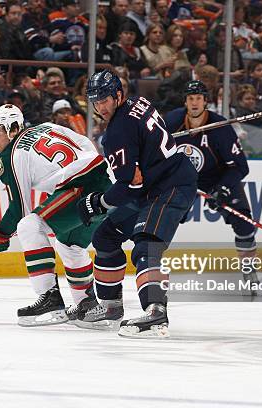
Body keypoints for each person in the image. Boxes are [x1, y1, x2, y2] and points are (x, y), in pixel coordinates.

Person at [75, 69, 198, 338]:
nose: (100, 106)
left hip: (169, 188)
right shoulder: (138, 103)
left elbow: (130, 186)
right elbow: (137, 177)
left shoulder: (116, 132)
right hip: (157, 186)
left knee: (146, 244)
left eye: (105, 99)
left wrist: (98, 202)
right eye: (95, 101)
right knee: (106, 237)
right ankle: (110, 307)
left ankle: (155, 312)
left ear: (118, 95)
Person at [0, 104, 111, 326]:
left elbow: (19, 210)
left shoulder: (10, 155)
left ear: (13, 128)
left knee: (29, 226)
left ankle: (50, 299)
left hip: (80, 186)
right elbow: (84, 143)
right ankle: (87, 307)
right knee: (69, 243)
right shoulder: (47, 127)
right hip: (106, 184)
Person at [164, 80, 260, 292]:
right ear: (185, 102)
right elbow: (156, 154)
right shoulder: (171, 122)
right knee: (162, 217)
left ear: (206, 101)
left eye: (199, 98)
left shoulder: (221, 127)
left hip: (217, 177)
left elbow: (240, 167)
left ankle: (248, 268)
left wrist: (223, 188)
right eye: (191, 98)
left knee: (243, 221)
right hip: (182, 178)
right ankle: (151, 264)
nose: (195, 103)